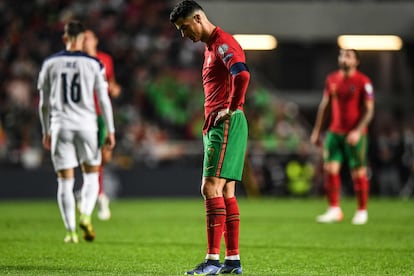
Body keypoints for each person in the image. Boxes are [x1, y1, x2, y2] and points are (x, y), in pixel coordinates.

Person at [170, 1, 250, 274]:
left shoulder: (223, 43)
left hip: (225, 123)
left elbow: (242, 74)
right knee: (226, 190)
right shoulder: (210, 48)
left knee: (209, 188)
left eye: (184, 27)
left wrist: (230, 107)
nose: (184, 34)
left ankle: (213, 260)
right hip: (218, 124)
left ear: (198, 18)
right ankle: (233, 261)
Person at [37, 20, 116, 243]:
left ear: (65, 38)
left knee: (65, 182)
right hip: (87, 126)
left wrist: (45, 130)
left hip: (60, 126)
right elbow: (104, 99)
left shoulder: (50, 64)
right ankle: (85, 214)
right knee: (91, 176)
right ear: (83, 39)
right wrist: (110, 129)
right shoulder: (93, 64)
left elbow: (43, 103)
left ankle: (70, 232)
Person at [310, 48, 374, 225]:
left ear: (356, 61)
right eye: (342, 55)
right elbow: (325, 106)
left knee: (358, 172)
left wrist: (357, 131)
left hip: (355, 133)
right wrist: (317, 131)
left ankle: (362, 210)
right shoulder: (332, 79)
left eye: (348, 56)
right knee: (330, 170)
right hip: (334, 132)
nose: (344, 58)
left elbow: (369, 111)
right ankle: (334, 209)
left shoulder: (363, 81)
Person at [82, 29, 122, 221]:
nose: (86, 41)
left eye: (89, 37)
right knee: (91, 156)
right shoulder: (78, 61)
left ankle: (94, 191)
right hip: (84, 114)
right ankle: (99, 196)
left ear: (95, 40)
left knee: (104, 156)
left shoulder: (105, 59)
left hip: (102, 114)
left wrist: (114, 89)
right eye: (83, 38)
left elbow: (112, 83)